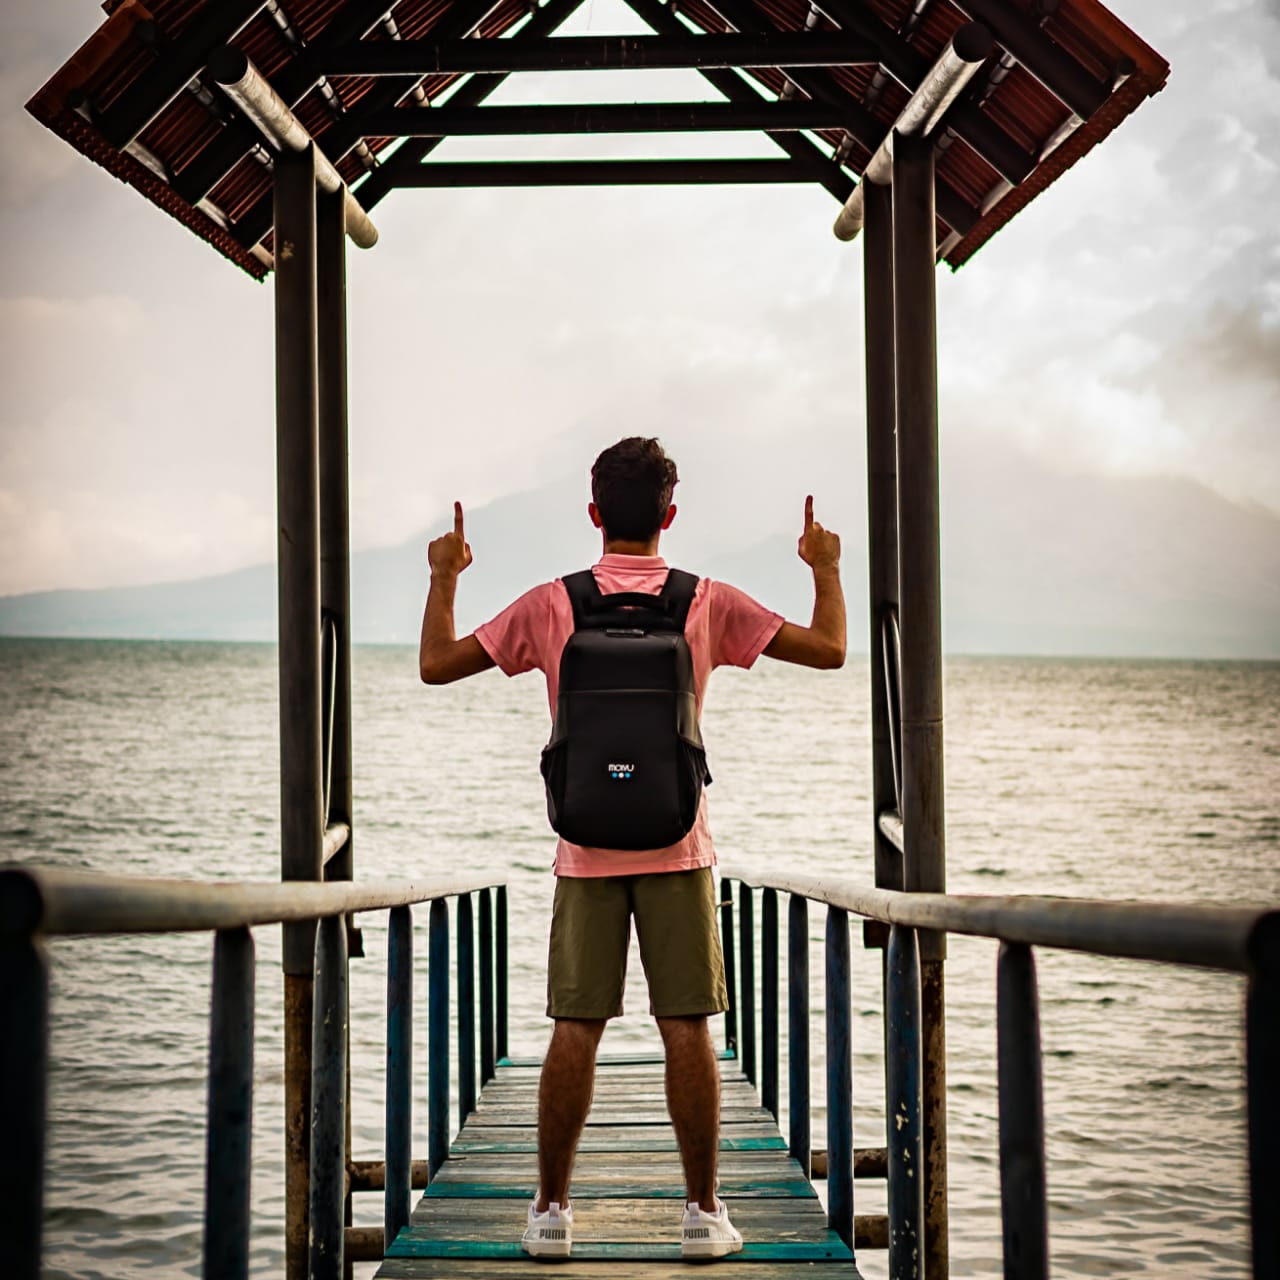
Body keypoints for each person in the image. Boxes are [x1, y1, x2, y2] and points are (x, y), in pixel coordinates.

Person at [418, 436, 845, 1261]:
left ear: (594, 514)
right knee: (687, 1025)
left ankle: (550, 1213)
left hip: (585, 849)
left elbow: (437, 663)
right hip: (678, 845)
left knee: (575, 1028)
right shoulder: (706, 601)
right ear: (669, 516)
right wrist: (823, 566)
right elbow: (829, 649)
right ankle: (703, 1213)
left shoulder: (552, 604)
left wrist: (444, 576)